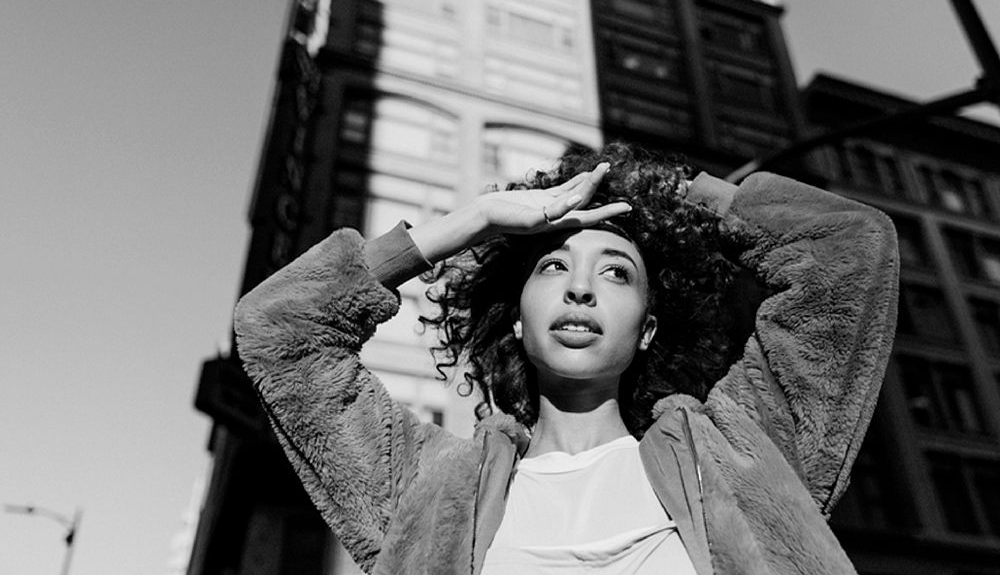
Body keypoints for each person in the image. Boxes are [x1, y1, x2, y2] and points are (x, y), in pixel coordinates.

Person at [235, 142, 899, 575]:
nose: (581, 286)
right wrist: (474, 220)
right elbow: (279, 327)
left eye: (616, 273)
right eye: (553, 265)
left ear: (647, 328)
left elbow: (848, 251)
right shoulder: (429, 489)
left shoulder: (738, 453)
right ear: (519, 319)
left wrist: (669, 191)